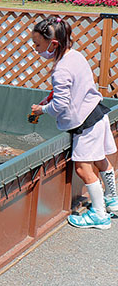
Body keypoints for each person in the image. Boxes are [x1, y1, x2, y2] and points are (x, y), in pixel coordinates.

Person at [30, 17, 117, 229]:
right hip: (97, 114)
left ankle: (99, 215)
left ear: (53, 44)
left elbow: (61, 105)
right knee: (100, 160)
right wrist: (50, 97)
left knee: (82, 169)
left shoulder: (60, 70)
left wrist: (42, 109)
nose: (35, 49)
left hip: (85, 124)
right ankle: (113, 200)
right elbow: (74, 87)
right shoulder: (75, 56)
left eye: (38, 45)